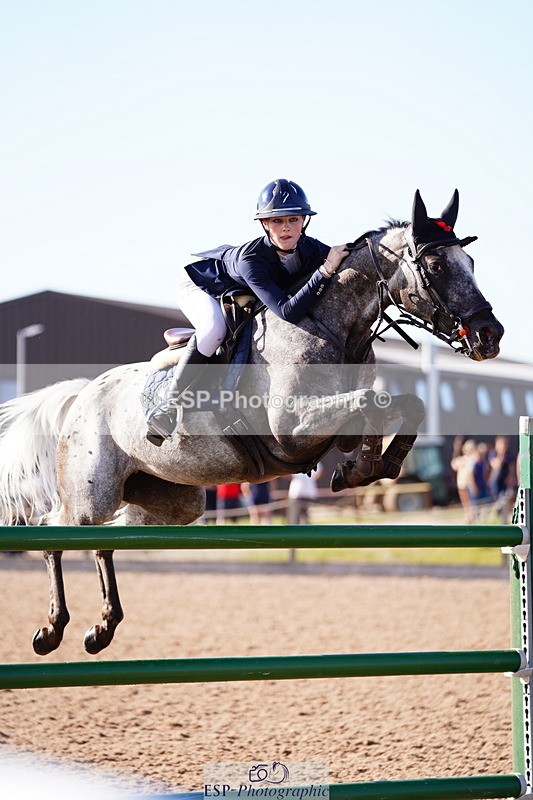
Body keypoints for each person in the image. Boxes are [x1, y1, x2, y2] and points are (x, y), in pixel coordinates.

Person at [145, 179, 349, 444]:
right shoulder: (251, 260)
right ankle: (168, 407)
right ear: (265, 224)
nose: (286, 227)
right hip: (203, 285)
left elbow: (342, 258)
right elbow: (287, 312)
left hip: (240, 292)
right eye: (277, 221)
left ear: (303, 221)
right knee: (214, 330)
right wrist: (323, 272)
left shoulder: (310, 248)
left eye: (293, 219)